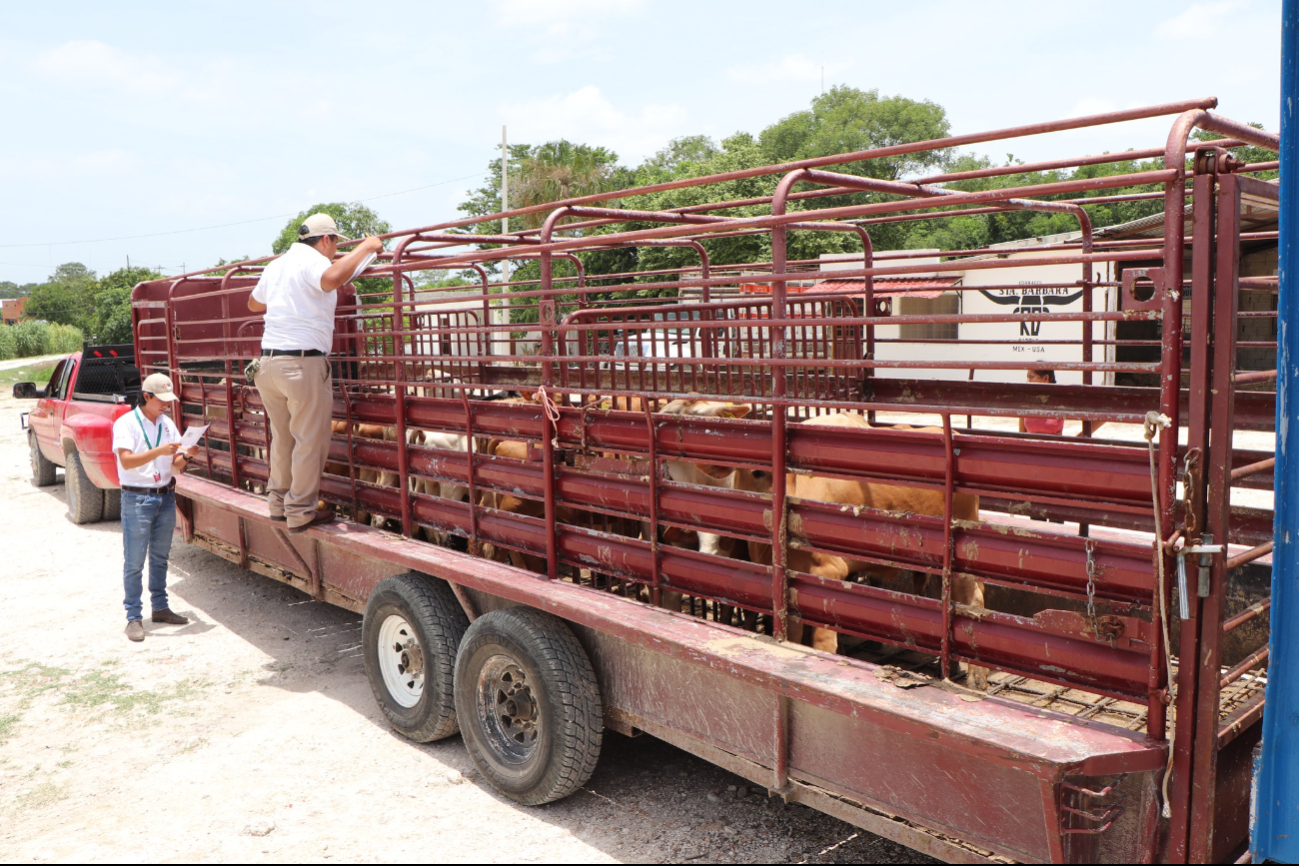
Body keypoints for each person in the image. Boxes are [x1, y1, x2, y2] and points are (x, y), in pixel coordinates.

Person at [246, 213, 383, 533]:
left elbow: (254, 304)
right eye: (335, 245)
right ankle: (300, 511)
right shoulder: (312, 261)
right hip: (301, 364)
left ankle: (278, 504)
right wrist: (367, 246)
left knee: (283, 438)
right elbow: (332, 277)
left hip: (269, 364)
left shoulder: (278, 264)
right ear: (326, 240)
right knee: (310, 440)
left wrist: (287, 300)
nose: (335, 252)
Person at [112, 372, 199, 642]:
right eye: (161, 400)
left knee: (161, 557)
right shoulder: (126, 423)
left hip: (165, 495)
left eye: (168, 400)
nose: (165, 405)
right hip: (137, 497)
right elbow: (126, 461)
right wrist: (160, 451)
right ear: (146, 397)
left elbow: (174, 465)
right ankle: (133, 617)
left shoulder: (167, 423)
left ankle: (160, 608)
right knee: (135, 560)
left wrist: (186, 455)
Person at [1019, 368, 1065, 435]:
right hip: (1030, 444)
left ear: (1046, 379)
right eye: (1027, 377)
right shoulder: (1026, 403)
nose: (1027, 381)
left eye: (1031, 377)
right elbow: (1021, 434)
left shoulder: (1058, 403)